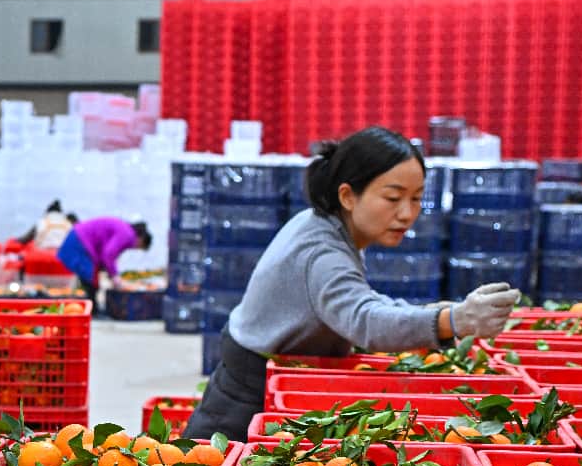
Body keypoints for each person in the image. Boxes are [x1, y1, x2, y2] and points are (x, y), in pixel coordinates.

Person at [184, 126, 519, 441]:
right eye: (393, 198)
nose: (407, 213)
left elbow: (358, 299)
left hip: (276, 372)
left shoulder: (329, 227)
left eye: (417, 198)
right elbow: (365, 320)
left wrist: (433, 313)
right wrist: (452, 320)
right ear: (347, 195)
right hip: (247, 393)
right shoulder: (322, 252)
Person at [57, 215, 152, 299]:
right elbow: (108, 254)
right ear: (141, 239)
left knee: (90, 284)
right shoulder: (128, 235)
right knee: (91, 284)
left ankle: (91, 307)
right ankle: (92, 309)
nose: (135, 248)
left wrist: (109, 271)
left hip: (77, 237)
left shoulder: (125, 229)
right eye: (140, 247)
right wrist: (114, 277)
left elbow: (106, 253)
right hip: (79, 242)